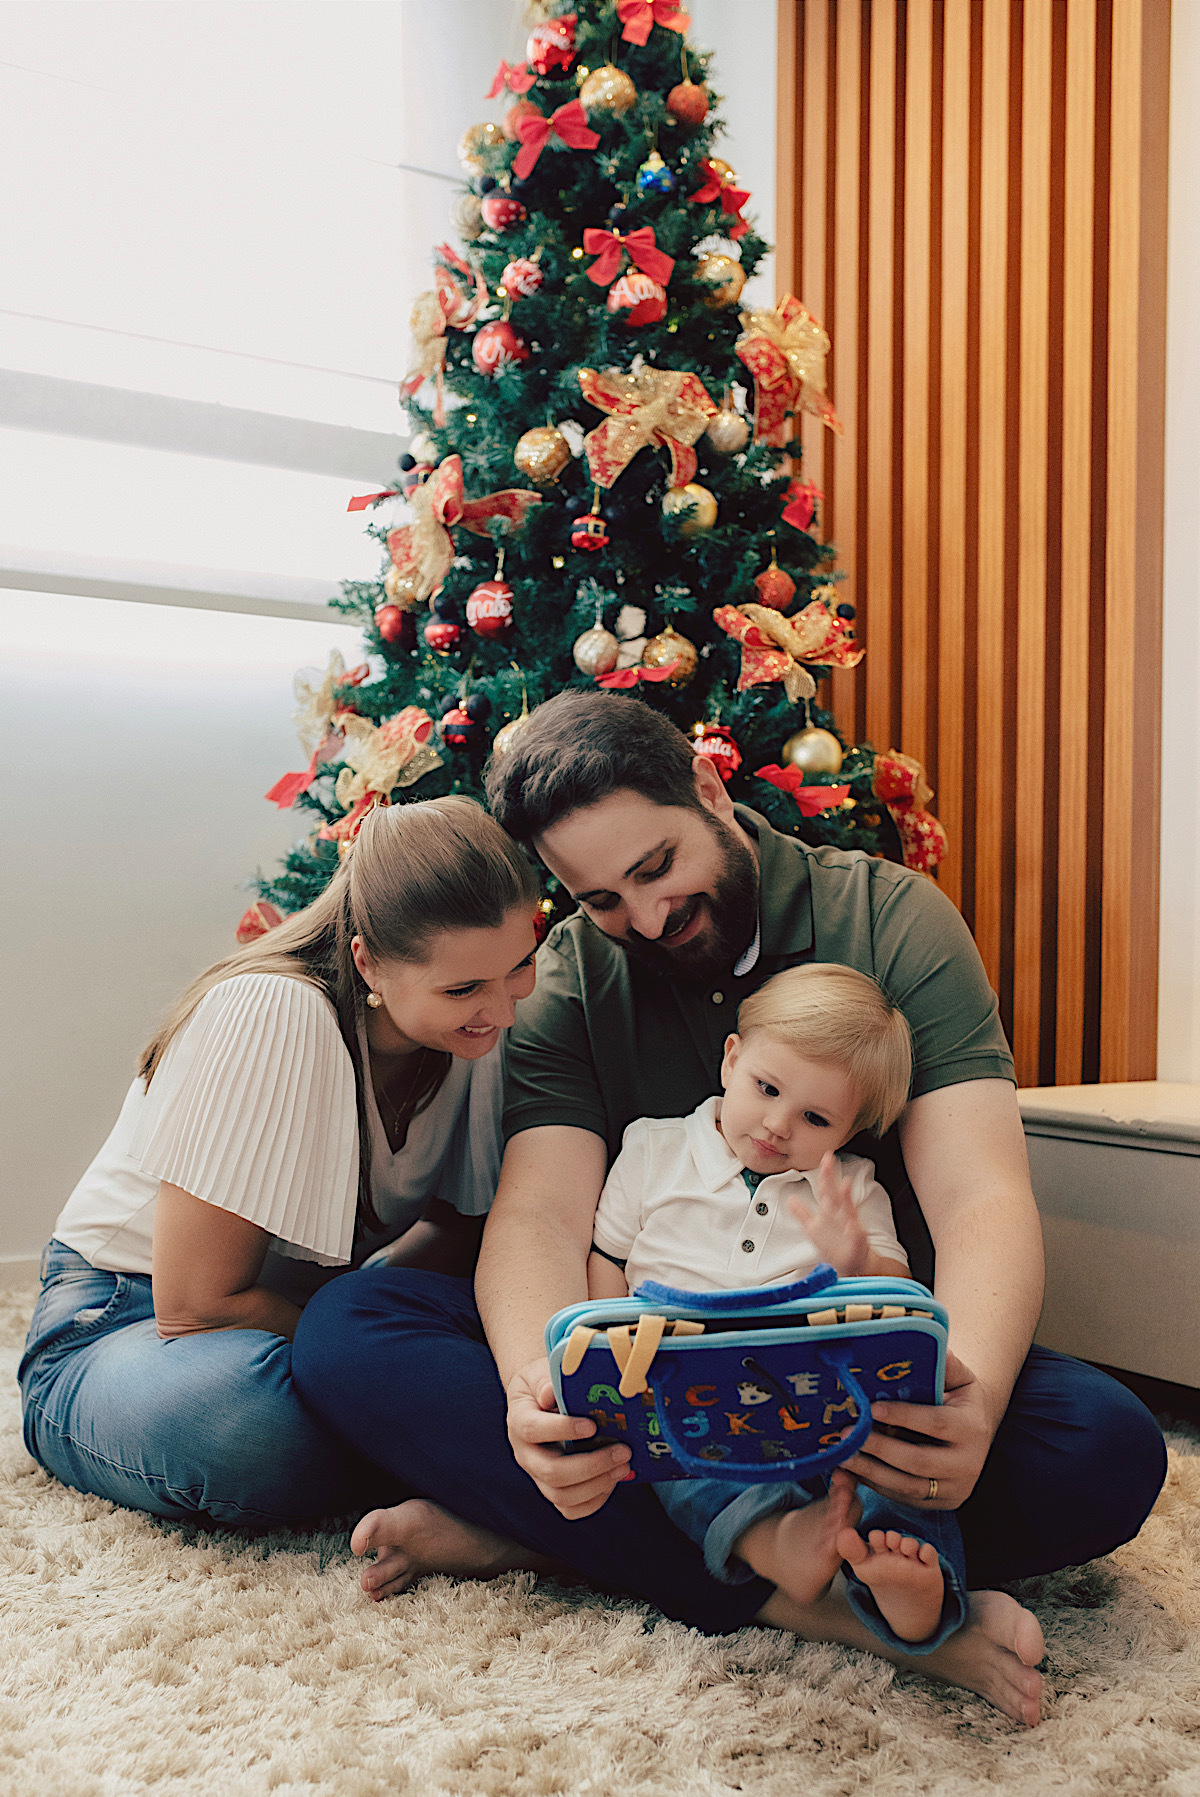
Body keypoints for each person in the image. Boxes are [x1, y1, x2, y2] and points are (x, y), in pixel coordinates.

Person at [291, 692, 1167, 1728]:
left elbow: (980, 1193)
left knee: (1104, 1448)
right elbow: (539, 1221)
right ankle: (830, 1607)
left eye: (657, 868)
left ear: (709, 788)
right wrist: (545, 1398)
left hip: (854, 1398)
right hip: (663, 1385)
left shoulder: (891, 920)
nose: (647, 920)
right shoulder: (569, 978)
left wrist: (962, 1412)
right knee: (352, 1329)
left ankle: (535, 1536)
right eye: (603, 899)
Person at [19, 797, 543, 1531]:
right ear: (370, 963)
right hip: (123, 1323)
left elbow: (458, 1232)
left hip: (302, 1324)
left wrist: (378, 1333)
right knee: (256, 1425)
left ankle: (419, 1461)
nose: (503, 1009)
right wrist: (369, 1359)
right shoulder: (273, 1010)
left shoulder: (473, 1034)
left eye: (518, 967)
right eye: (463, 989)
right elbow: (194, 1305)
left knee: (490, 1371)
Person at [588, 962, 975, 1659]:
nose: (776, 1124)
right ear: (732, 1058)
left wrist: (855, 1260)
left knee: (895, 1448)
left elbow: (899, 1293)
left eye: (816, 1118)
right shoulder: (653, 1147)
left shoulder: (849, 1184)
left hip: (812, 1398)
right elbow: (607, 1258)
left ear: (850, 1127)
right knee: (676, 1457)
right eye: (766, 1088)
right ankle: (773, 1540)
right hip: (686, 1384)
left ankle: (912, 1580)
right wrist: (604, 1334)